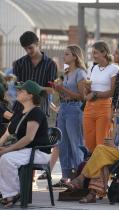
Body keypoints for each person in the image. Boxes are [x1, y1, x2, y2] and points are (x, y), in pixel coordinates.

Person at [65, 98, 119, 203]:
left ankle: (81, 178)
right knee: (102, 163)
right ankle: (92, 194)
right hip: (113, 156)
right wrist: (112, 144)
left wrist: (118, 147)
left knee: (99, 149)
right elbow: (111, 143)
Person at [0, 80, 51, 208]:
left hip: (37, 152)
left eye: (21, 90)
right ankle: (6, 192)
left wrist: (6, 150)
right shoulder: (18, 112)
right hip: (23, 151)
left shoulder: (36, 113)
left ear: (30, 96)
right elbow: (7, 133)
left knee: (6, 158)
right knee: (4, 157)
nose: (17, 92)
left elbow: (29, 138)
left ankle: (13, 193)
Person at [52, 45, 87, 185]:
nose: (63, 56)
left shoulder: (80, 73)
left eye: (66, 54)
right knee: (62, 143)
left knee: (75, 142)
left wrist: (63, 89)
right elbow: (64, 93)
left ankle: (79, 176)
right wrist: (59, 90)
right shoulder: (66, 72)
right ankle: (66, 176)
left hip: (74, 108)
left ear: (75, 56)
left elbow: (82, 96)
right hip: (64, 108)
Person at [83, 41, 118, 152]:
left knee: (101, 142)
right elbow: (87, 90)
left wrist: (95, 94)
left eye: (96, 52)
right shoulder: (92, 68)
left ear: (104, 53)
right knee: (89, 142)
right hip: (89, 107)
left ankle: (103, 169)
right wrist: (86, 90)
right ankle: (93, 168)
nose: (93, 55)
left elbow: (112, 91)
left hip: (104, 107)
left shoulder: (113, 69)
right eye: (92, 53)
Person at [13, 31, 57, 116]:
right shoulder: (19, 63)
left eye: (30, 48)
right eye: (25, 49)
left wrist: (38, 88)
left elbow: (52, 90)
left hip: (40, 110)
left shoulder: (50, 64)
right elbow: (16, 87)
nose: (28, 51)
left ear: (38, 44)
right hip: (20, 109)